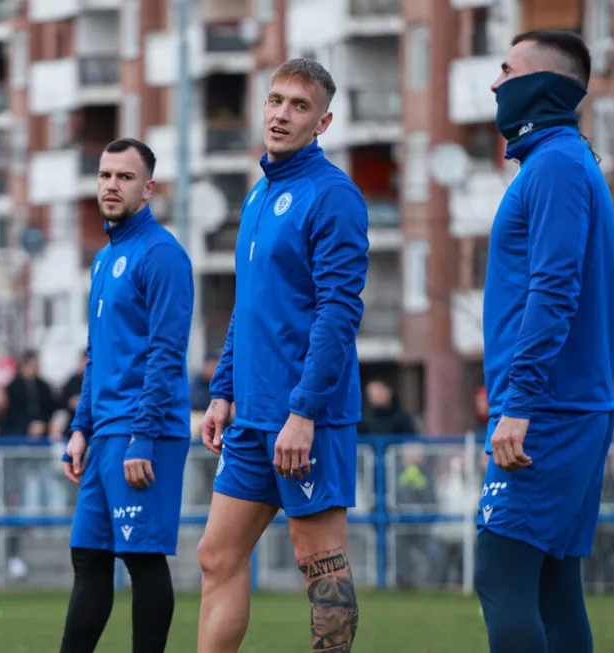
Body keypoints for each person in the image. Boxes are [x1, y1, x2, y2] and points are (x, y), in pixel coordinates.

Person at [195, 58, 369, 653]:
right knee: (216, 555)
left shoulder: (334, 196)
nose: (282, 114)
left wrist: (304, 411)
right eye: (275, 100)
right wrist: (223, 391)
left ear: (322, 122)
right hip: (250, 416)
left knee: (319, 563)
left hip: (306, 417)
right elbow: (249, 306)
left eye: (299, 106)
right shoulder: (257, 195)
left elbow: (339, 312)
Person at [475, 30, 614, 653]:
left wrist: (519, 403)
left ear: (540, 85)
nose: (495, 84)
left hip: (548, 410)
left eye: (507, 71)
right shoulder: (560, 161)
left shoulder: (557, 165)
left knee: (500, 572)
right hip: (563, 406)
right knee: (554, 590)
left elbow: (554, 289)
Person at [57, 138, 194, 653]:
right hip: (105, 434)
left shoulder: (162, 255)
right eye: (105, 175)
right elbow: (98, 353)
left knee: (142, 558)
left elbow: (166, 352)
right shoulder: (104, 258)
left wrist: (143, 435)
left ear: (148, 188)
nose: (111, 185)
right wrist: (81, 427)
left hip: (143, 431)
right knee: (89, 558)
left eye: (125, 177)